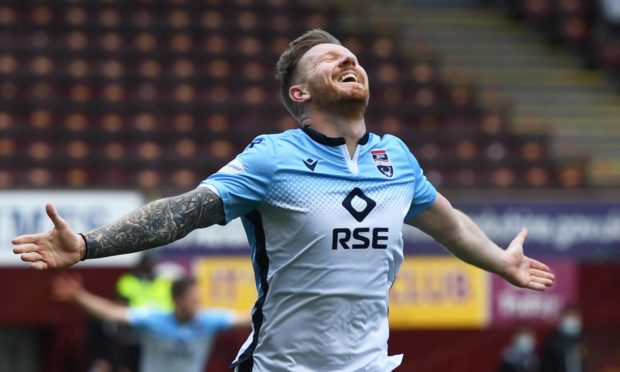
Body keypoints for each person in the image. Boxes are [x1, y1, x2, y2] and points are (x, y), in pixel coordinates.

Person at [12, 29, 555, 371]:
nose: (349, 59)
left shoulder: (396, 158)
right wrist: (89, 242)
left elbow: (450, 225)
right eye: (328, 59)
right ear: (300, 93)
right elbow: (187, 210)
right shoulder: (274, 157)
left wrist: (501, 262)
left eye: (352, 56)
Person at [52, 274, 248, 372]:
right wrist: (80, 297)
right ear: (178, 300)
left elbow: (248, 318)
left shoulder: (208, 321)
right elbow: (112, 313)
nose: (198, 304)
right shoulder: (154, 320)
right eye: (193, 299)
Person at [540, 306, 587, 372]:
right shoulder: (552, 342)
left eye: (574, 316)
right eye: (569, 316)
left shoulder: (582, 341)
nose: (572, 320)